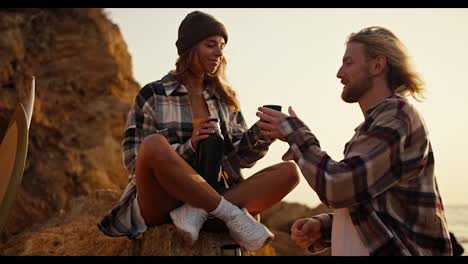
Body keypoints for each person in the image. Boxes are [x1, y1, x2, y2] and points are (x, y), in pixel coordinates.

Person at [97, 11, 300, 251]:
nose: (219, 52)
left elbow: (239, 161)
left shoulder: (225, 100)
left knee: (290, 172)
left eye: (222, 46)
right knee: (153, 144)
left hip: (216, 190)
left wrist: (263, 135)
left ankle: (199, 211)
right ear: (190, 48)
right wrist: (190, 146)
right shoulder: (153, 94)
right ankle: (227, 213)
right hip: (164, 199)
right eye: (210, 45)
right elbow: (134, 161)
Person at [256, 26, 452, 256]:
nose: (339, 73)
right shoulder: (377, 123)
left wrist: (295, 133)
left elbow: (338, 187)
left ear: (378, 65)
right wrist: (326, 227)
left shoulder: (397, 116)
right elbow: (374, 205)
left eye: (348, 63)